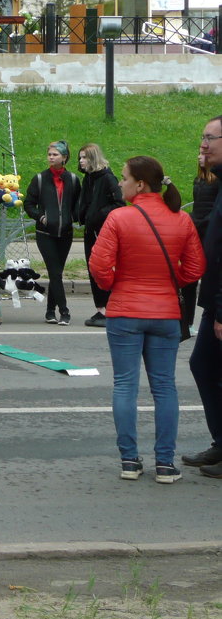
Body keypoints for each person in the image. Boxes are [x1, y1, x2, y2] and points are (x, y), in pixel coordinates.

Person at [89, 156, 205, 484]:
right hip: (166, 313)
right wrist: (171, 282)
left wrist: (116, 285)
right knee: (165, 387)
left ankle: (129, 460)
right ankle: (165, 464)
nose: (120, 183)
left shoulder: (119, 218)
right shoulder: (181, 219)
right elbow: (196, 269)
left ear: (140, 184)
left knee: (125, 385)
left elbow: (99, 266)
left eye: (124, 178)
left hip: (125, 312)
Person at [183, 116, 222, 478]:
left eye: (210, 137)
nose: (204, 144)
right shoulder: (213, 182)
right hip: (214, 298)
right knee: (203, 365)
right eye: (203, 137)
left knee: (210, 366)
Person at [22, 139, 81, 325]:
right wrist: (41, 217)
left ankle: (49, 311)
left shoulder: (72, 179)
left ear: (64, 158)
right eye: (49, 154)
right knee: (55, 273)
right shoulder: (40, 179)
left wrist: (73, 217)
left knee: (57, 273)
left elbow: (78, 203)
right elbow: (29, 204)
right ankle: (64, 312)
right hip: (45, 234)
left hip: (65, 234)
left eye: (55, 154)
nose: (51, 157)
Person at [75, 143, 124, 328]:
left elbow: (119, 203)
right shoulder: (88, 178)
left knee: (101, 267)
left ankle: (107, 308)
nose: (81, 161)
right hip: (90, 229)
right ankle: (101, 307)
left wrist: (98, 215)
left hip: (102, 230)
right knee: (93, 267)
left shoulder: (107, 178)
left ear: (93, 158)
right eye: (80, 158)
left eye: (84, 158)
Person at [180, 153, 218, 335]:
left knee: (211, 276)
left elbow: (214, 208)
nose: (199, 157)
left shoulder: (217, 180)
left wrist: (202, 221)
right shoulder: (199, 179)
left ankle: (211, 318)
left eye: (203, 155)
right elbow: (198, 207)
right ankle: (187, 321)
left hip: (208, 230)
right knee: (190, 278)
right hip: (196, 229)